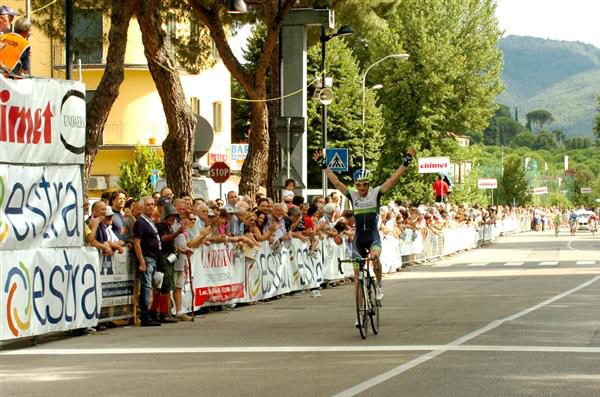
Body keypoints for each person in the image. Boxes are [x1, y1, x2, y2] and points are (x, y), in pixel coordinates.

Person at [314, 147, 415, 307]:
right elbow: (337, 182)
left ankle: (380, 286)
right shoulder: (353, 195)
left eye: (365, 185)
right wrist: (324, 166)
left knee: (375, 259)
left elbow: (392, 181)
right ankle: (360, 312)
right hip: (359, 239)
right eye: (359, 185)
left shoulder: (375, 193)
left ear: (369, 184)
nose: (361, 188)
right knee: (357, 277)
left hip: (372, 236)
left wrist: (405, 164)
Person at [133, 197, 162, 327]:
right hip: (147, 258)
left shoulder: (150, 221)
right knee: (146, 287)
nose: (150, 207)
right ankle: (144, 317)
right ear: (142, 208)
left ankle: (151, 313)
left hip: (154, 258)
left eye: (152, 204)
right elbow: (137, 243)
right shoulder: (140, 222)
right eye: (148, 205)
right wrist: (142, 261)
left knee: (151, 287)